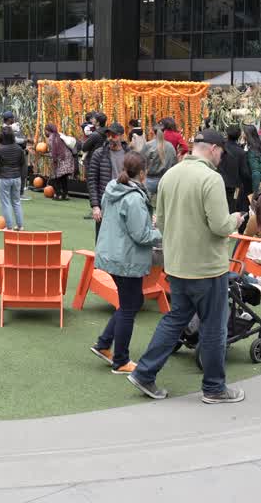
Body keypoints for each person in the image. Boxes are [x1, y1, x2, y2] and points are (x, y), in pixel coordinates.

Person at [127, 130, 244, 404]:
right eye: (222, 152)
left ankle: (144, 372)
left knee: (174, 319)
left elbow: (162, 223)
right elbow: (219, 226)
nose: (221, 157)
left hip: (177, 265)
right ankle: (215, 388)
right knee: (214, 327)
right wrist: (236, 220)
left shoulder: (171, 175)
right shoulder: (211, 179)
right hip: (207, 268)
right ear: (214, 149)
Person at [90, 153, 162, 374]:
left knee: (130, 302)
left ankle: (104, 344)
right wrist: (161, 233)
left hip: (112, 254)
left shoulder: (113, 188)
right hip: (127, 259)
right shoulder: (133, 198)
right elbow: (141, 235)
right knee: (129, 306)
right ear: (142, 173)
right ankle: (120, 360)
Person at [88, 123, 129, 240]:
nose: (110, 138)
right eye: (108, 135)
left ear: (121, 136)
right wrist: (95, 206)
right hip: (105, 202)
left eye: (114, 135)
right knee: (102, 239)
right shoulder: (99, 154)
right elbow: (92, 181)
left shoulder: (129, 154)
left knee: (123, 239)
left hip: (124, 202)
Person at [0, 128, 27, 231]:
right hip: (17, 177)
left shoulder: (0, 149)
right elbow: (22, 162)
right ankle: (20, 225)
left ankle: (9, 227)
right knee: (16, 202)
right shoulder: (18, 149)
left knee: (5, 203)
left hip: (4, 177)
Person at [220, 125, 252, 214]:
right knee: (229, 205)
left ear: (227, 134)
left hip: (218, 180)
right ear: (238, 136)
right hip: (231, 183)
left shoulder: (221, 148)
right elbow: (244, 172)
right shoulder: (240, 152)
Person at [142, 122, 178, 198]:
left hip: (150, 181)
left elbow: (141, 161)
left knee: (149, 206)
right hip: (166, 180)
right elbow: (174, 163)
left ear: (153, 132)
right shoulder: (170, 146)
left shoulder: (148, 145)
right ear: (164, 131)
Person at [45, 123, 76, 200]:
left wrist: (51, 158)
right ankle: (65, 195)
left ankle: (58, 194)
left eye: (45, 130)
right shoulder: (60, 135)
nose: (45, 132)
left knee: (56, 177)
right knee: (63, 178)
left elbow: (53, 152)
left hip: (61, 159)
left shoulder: (51, 138)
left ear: (48, 131)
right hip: (68, 158)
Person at [243, 124, 261, 194]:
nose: (242, 134)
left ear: (247, 134)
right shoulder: (253, 147)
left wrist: (254, 192)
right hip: (249, 182)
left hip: (251, 184)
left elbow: (255, 172)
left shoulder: (253, 150)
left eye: (244, 132)